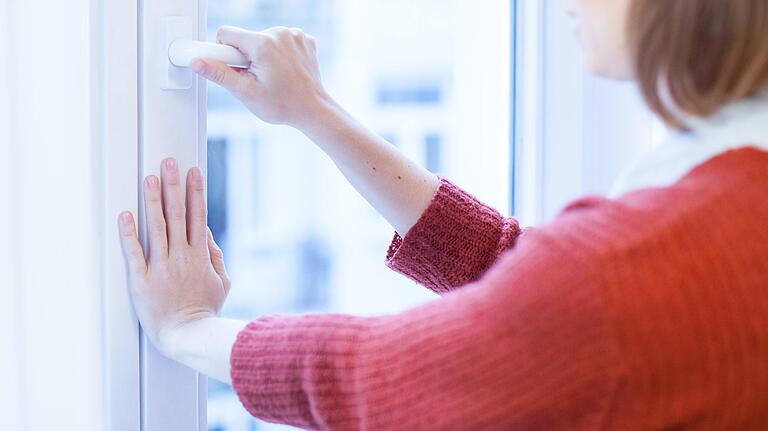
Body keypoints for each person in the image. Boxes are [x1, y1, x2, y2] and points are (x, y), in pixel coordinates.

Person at [117, 0, 768, 429]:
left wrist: (188, 328)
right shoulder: (734, 195)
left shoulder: (628, 275)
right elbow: (535, 293)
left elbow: (380, 374)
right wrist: (315, 111)